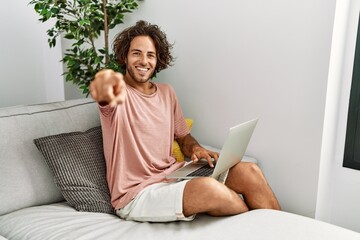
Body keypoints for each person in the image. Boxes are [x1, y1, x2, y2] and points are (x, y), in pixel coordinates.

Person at [90, 20, 280, 222]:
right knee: (212, 190)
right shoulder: (118, 96)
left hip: (174, 175)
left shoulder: (166, 92)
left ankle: (285, 230)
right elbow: (105, 96)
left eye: (150, 55)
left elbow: (183, 136)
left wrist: (196, 149)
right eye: (136, 53)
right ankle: (262, 228)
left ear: (158, 60)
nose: (144, 61)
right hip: (138, 194)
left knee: (249, 170)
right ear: (125, 57)